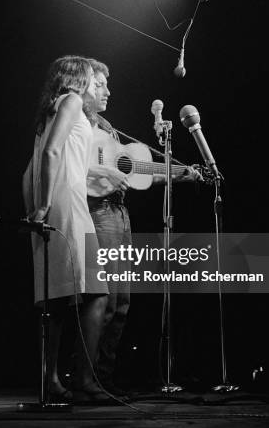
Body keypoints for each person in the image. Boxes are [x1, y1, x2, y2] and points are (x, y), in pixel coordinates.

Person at [86, 59, 202, 395]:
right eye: (100, 84)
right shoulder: (76, 121)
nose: (108, 90)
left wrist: (182, 174)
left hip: (121, 213)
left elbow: (137, 170)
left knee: (121, 304)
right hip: (100, 211)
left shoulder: (105, 126)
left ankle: (103, 381)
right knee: (103, 301)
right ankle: (87, 379)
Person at [23, 55, 110, 404]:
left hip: (55, 204)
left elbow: (27, 171)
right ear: (78, 78)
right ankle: (85, 380)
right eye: (93, 78)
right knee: (95, 293)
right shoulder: (72, 100)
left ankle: (52, 379)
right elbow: (52, 154)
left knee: (57, 297)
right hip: (67, 206)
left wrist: (33, 210)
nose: (98, 84)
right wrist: (44, 205)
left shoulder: (51, 110)